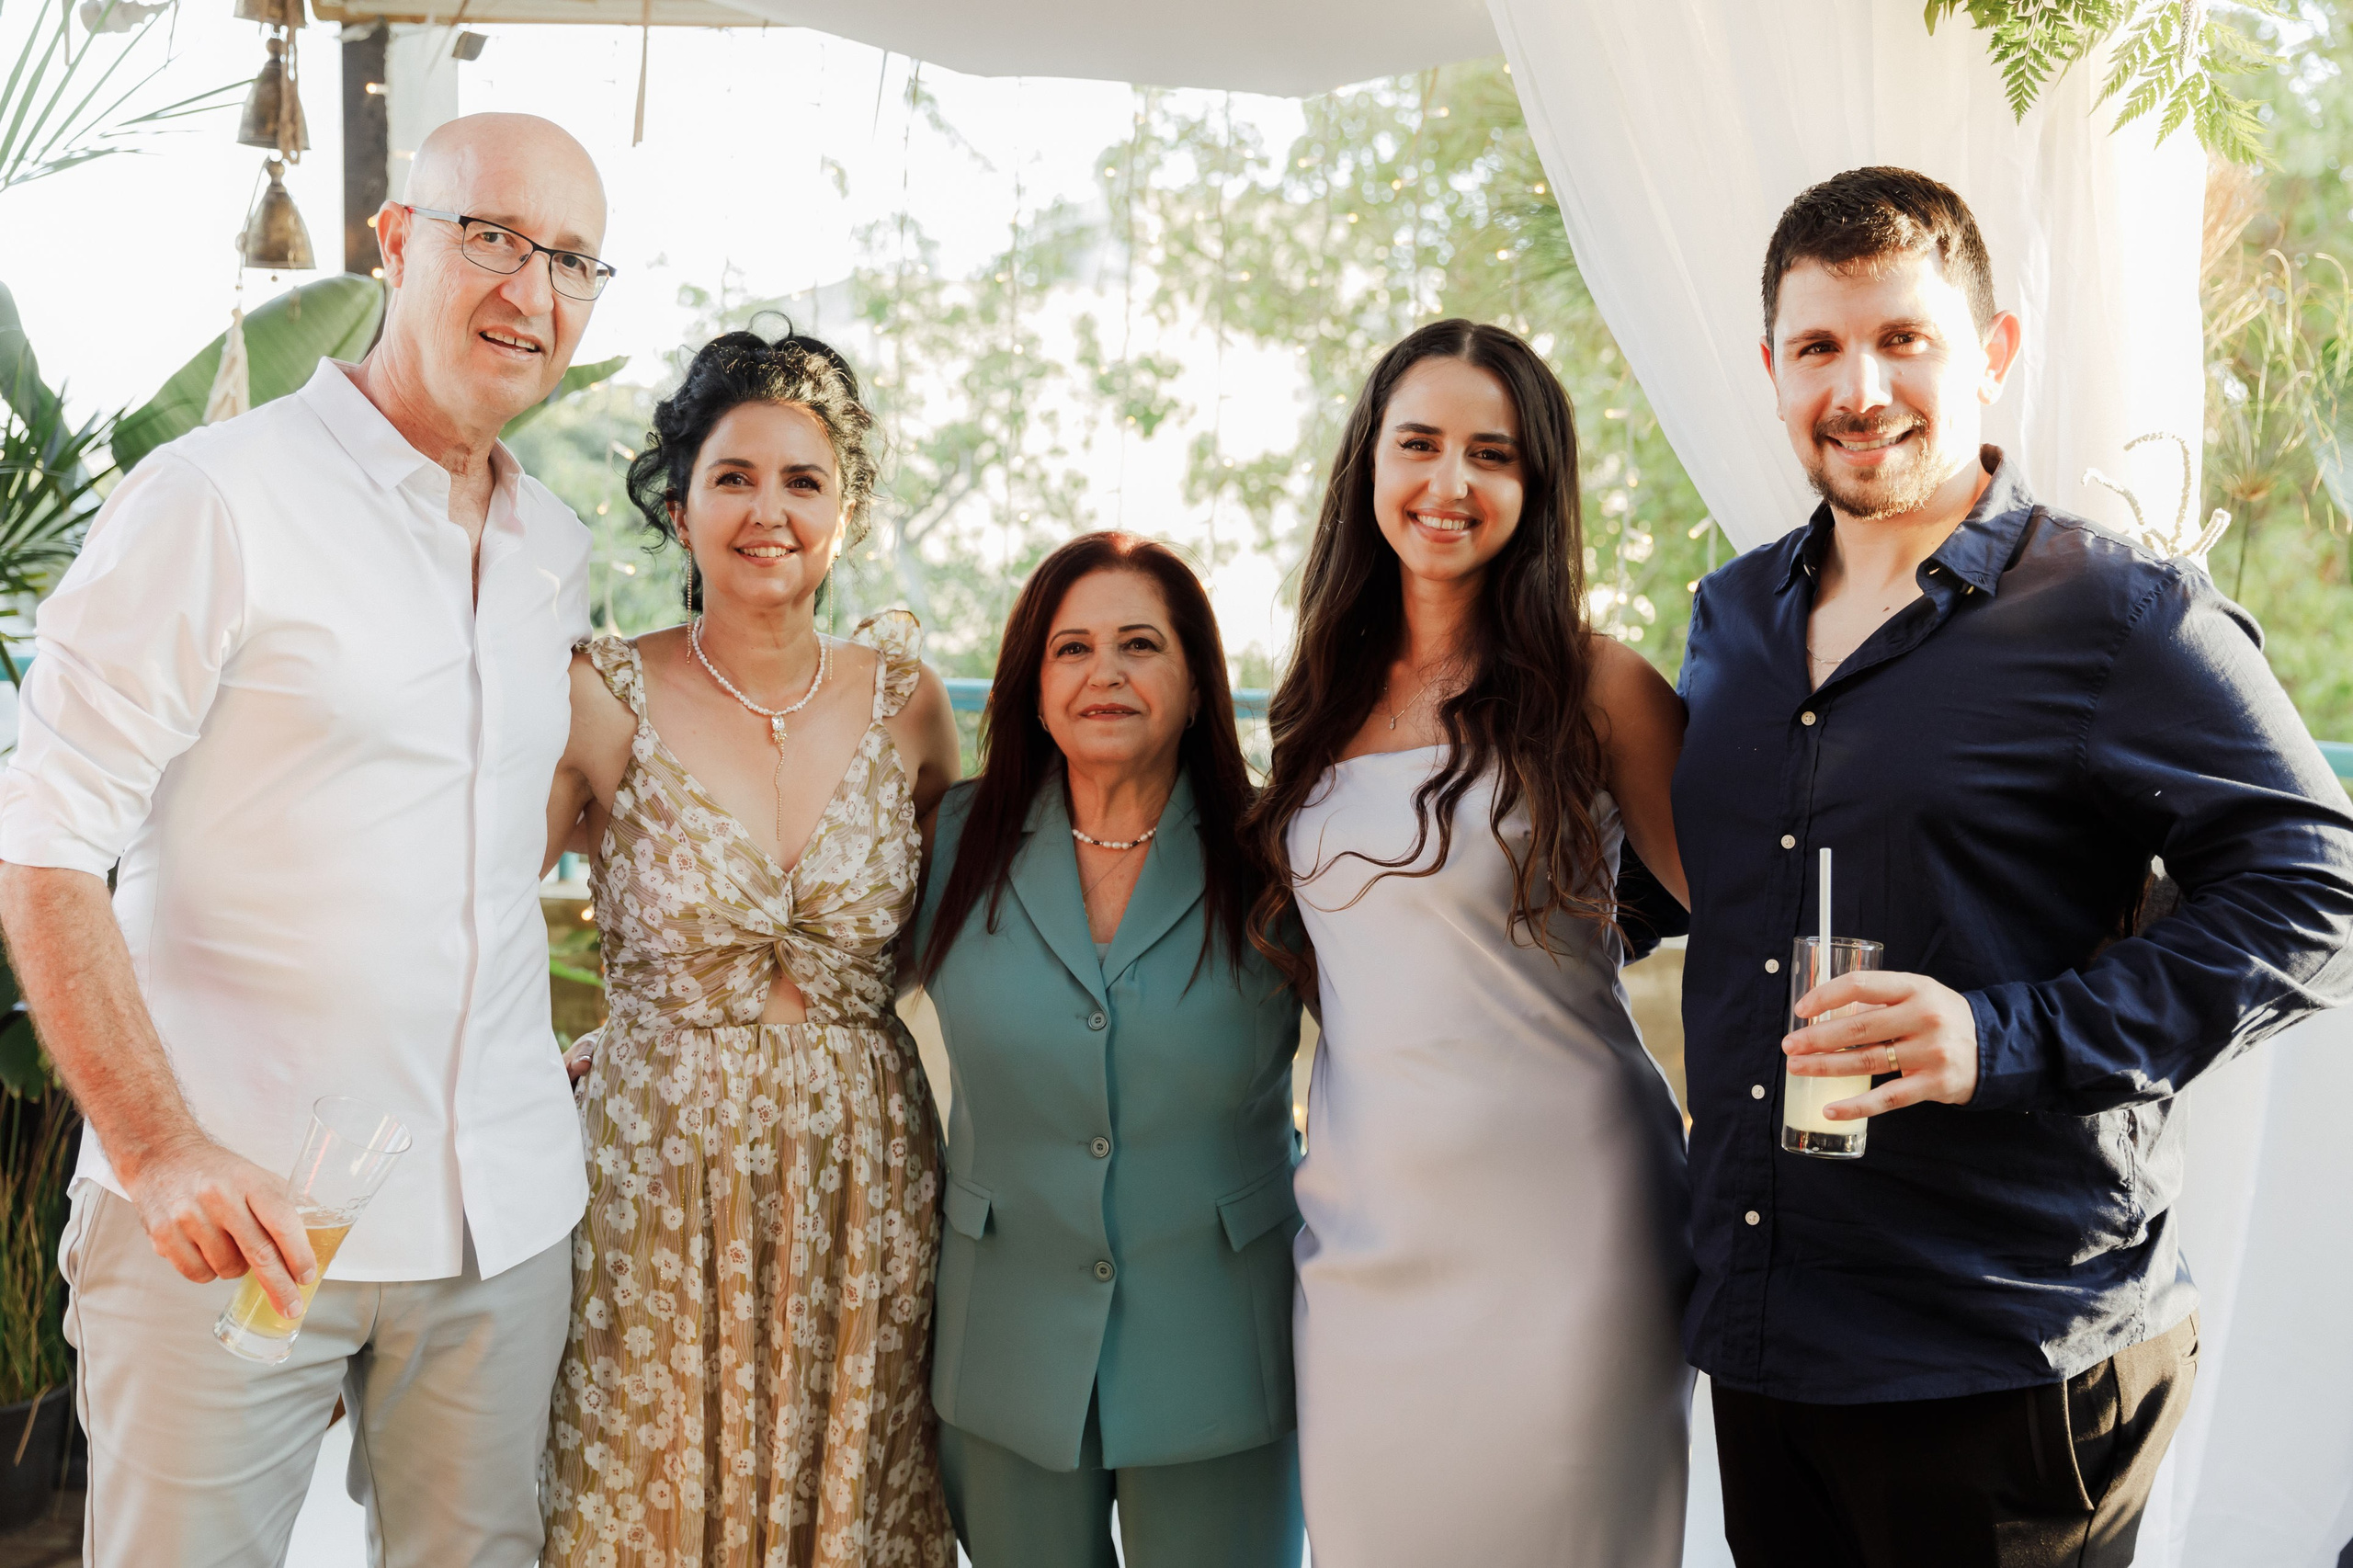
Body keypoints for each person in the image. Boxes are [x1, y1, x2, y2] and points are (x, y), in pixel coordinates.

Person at [1676, 166, 2353, 1568]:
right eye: (1818, 347)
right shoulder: (1731, 618)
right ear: (1772, 368)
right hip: (1769, 1341)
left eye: (1902, 338)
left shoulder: (2120, 611)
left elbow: (2317, 894)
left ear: (1992, 351)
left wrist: (1999, 1037)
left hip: (2003, 1355)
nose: (1859, 386)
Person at [0, 114, 610, 1565]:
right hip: (243, 1220)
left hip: (497, 1224)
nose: (531, 290)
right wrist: (160, 1153)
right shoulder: (216, 496)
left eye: (573, 260)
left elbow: (473, 851)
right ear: (396, 241)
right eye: (493, 237)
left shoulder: (556, 551)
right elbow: (41, 841)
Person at [1244, 318, 1696, 1565]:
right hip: (1361, 1228)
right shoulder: (1315, 703)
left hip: (1570, 1233)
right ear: (1370, 467)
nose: (1450, 483)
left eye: (1491, 454)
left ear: (1534, 487)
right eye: (1421, 444)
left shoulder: (1599, 685)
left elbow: (1749, 908)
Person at [539, 327, 961, 1566]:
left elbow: (976, 928)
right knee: (644, 1489)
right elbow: (472, 913)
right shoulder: (601, 691)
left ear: (848, 513)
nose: (767, 509)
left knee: (854, 1493)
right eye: (733, 477)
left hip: (866, 1172)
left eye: (802, 480)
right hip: (655, 1163)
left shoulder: (909, 701)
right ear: (680, 508)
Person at [911, 531, 1306, 1567]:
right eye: (1071, 647)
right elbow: (817, 983)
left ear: (1194, 677)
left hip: (1223, 1338)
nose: (1105, 673)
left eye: (1141, 644)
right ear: (1033, 682)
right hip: (1004, 1338)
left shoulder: (1277, 853)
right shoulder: (951, 840)